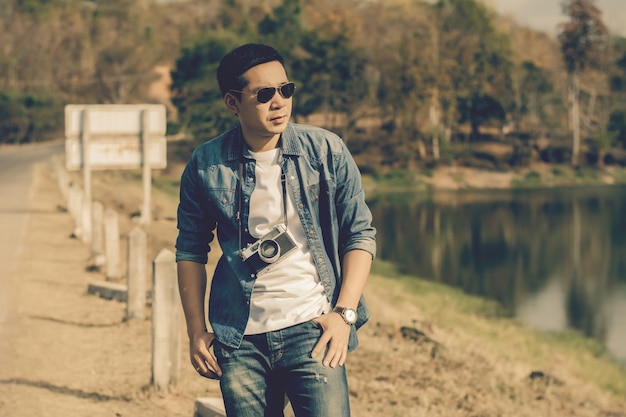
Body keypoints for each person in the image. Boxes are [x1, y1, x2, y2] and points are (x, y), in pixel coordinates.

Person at [175, 43, 376, 417]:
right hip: (240, 339)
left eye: (286, 89)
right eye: (264, 94)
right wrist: (195, 329)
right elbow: (189, 249)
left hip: (312, 328)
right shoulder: (206, 165)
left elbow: (360, 234)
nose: (279, 102)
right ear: (232, 102)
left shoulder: (326, 151)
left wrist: (343, 314)